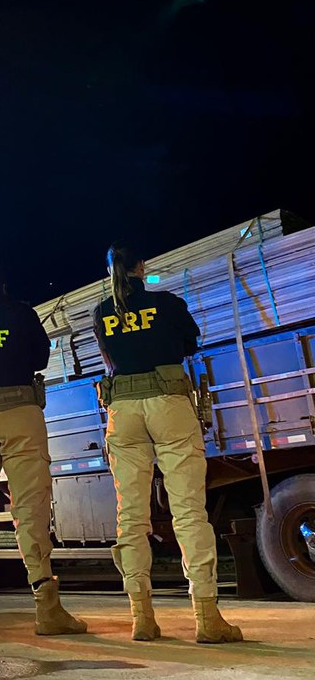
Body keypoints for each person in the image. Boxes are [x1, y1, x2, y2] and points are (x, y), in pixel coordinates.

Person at [93, 243, 243, 643]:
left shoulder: (102, 311)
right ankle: (207, 618)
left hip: (122, 410)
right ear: (143, 267)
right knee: (189, 512)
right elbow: (189, 345)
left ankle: (142, 618)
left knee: (131, 517)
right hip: (168, 403)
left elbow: (109, 359)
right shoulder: (167, 303)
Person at [0, 262, 87, 635]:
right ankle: (47, 609)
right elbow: (40, 359)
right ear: (5, 285)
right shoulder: (22, 313)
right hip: (19, 415)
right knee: (30, 507)